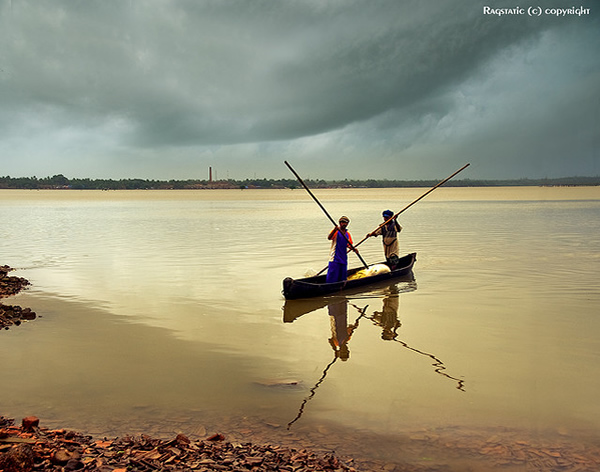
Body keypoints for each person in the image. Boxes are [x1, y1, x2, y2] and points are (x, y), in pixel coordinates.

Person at [326, 216, 358, 283]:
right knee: (332, 276)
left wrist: (353, 249)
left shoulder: (347, 234)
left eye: (346, 223)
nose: (344, 224)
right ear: (340, 223)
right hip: (335, 257)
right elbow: (329, 237)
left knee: (342, 277)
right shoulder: (336, 232)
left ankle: (341, 288)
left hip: (343, 258)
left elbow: (348, 244)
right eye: (343, 222)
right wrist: (335, 229)